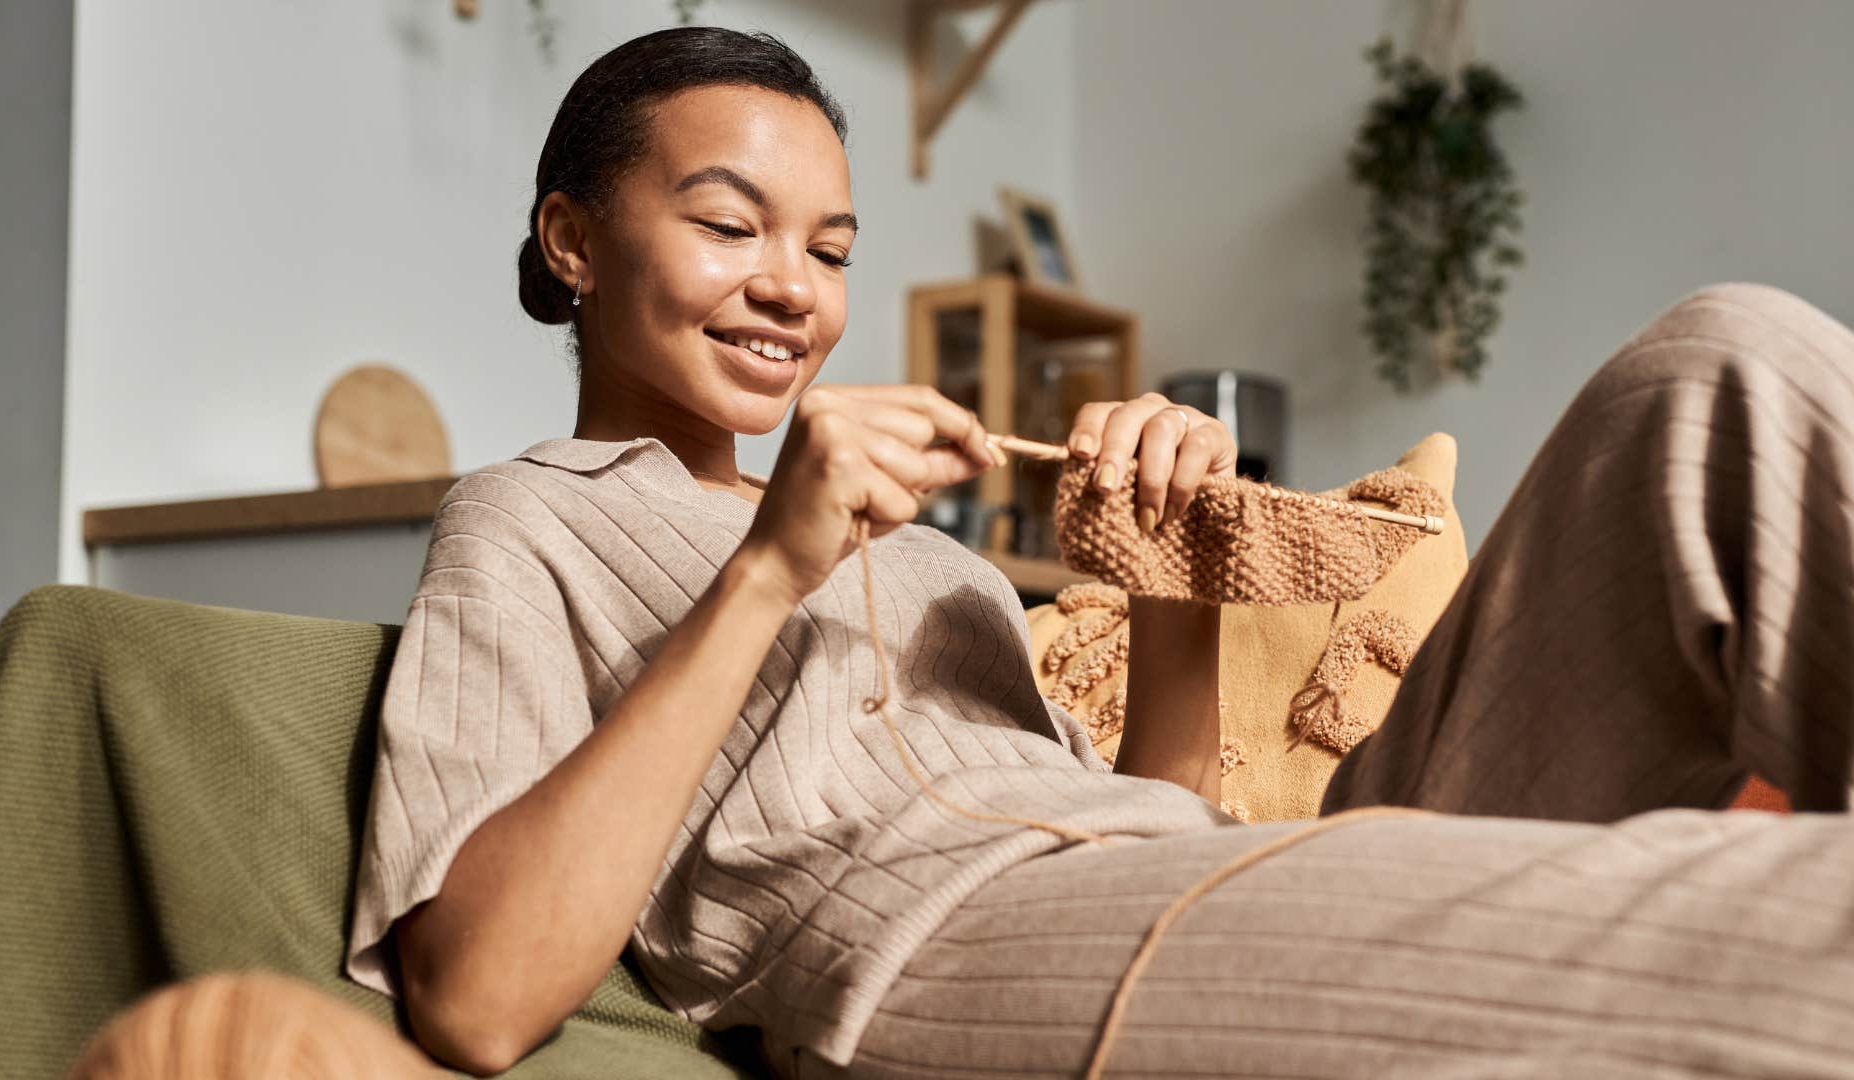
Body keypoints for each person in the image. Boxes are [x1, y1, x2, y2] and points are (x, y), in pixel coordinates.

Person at [342, 26, 1854, 1079]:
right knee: (1795, 923)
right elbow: (475, 997)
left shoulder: (932, 557)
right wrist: (766, 571)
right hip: (950, 948)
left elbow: (1164, 818)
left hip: (1197, 877)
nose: (794, 290)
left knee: (1728, 365)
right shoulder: (528, 517)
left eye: (831, 250)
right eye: (730, 227)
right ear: (574, 241)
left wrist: (1172, 585)